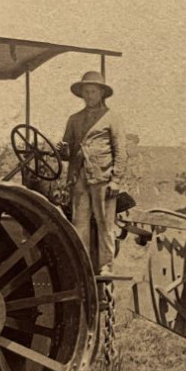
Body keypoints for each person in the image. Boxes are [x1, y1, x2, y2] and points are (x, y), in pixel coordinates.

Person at [61, 70, 128, 274]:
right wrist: (63, 150)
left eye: (93, 91)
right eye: (86, 92)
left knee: (105, 224)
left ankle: (106, 265)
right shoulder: (74, 119)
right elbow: (68, 151)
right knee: (79, 223)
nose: (89, 95)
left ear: (101, 93)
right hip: (79, 178)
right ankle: (84, 266)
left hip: (102, 178)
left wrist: (116, 180)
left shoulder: (112, 118)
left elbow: (121, 151)